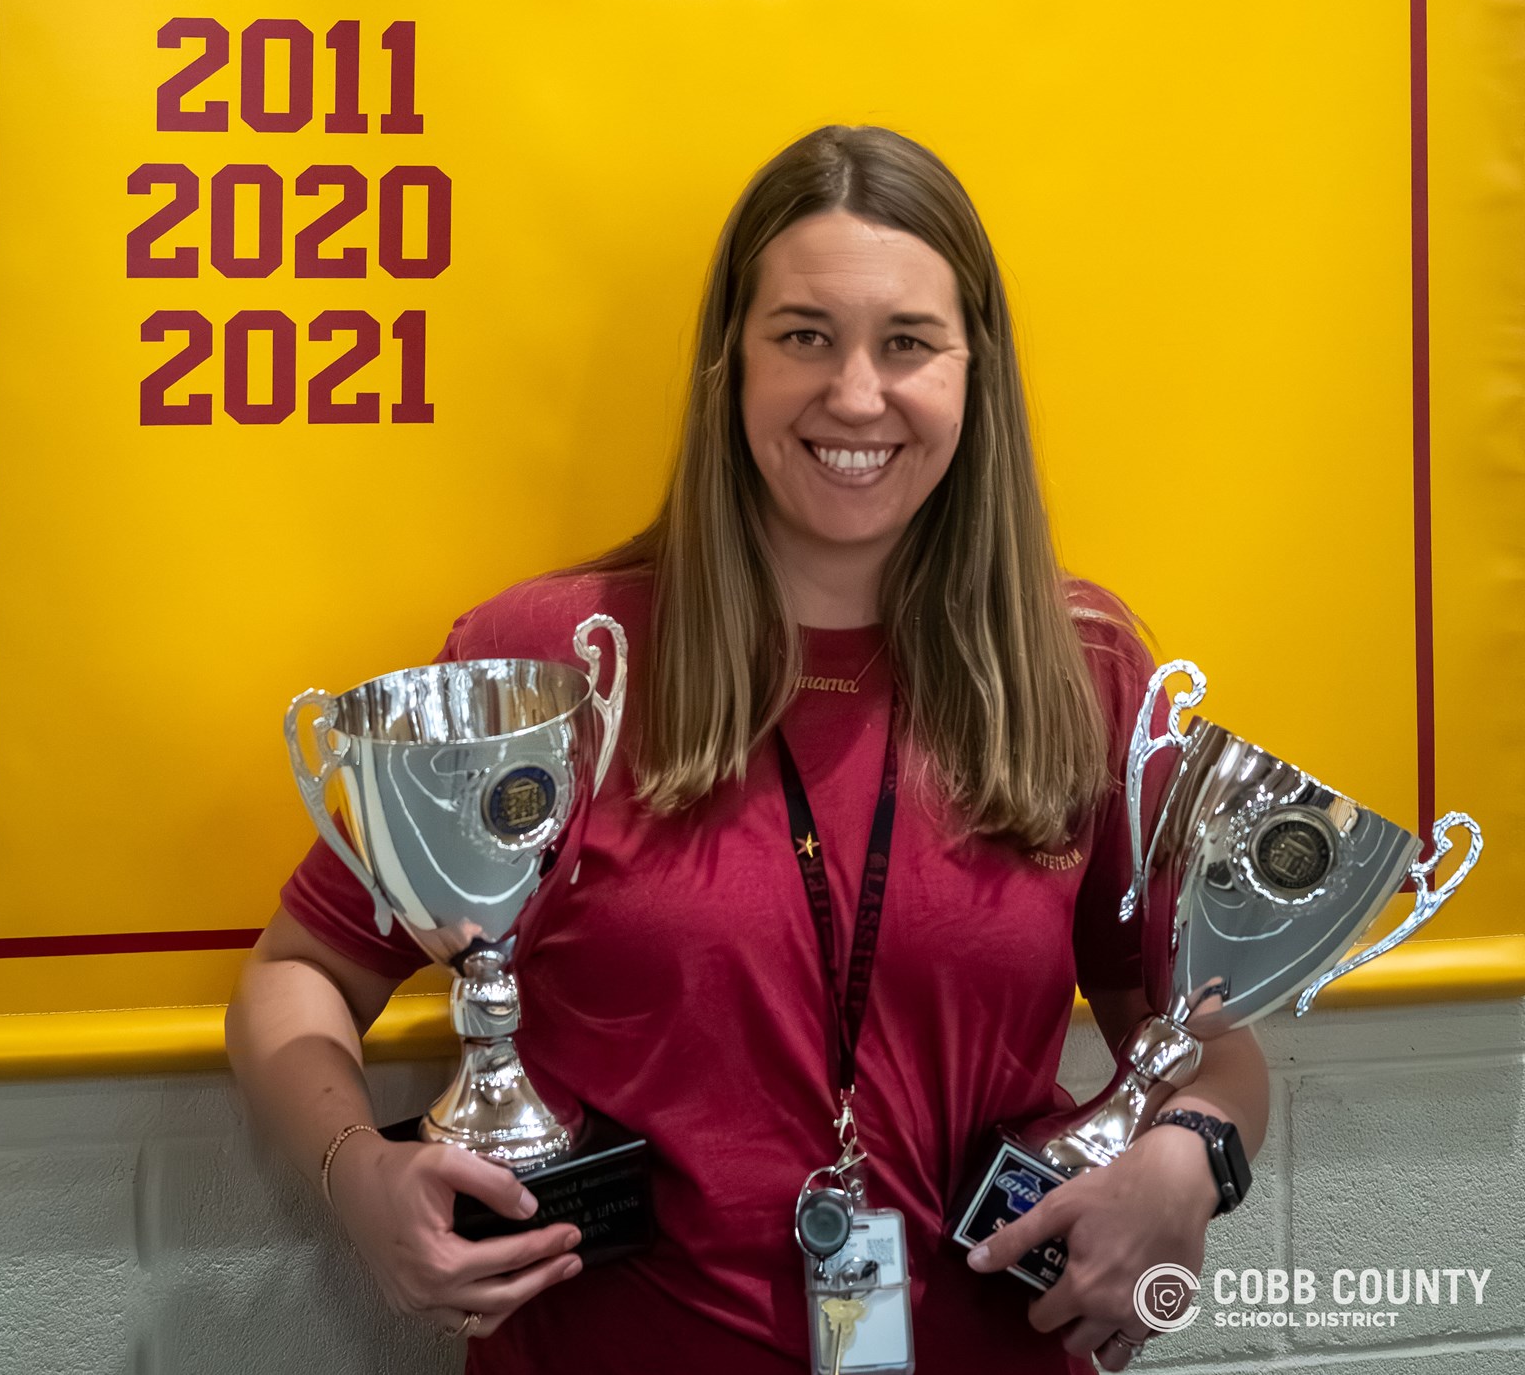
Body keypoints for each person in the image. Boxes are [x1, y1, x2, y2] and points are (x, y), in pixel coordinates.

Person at [227, 125, 1267, 1369]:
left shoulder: (1081, 670)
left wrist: (1189, 1162)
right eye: (804, 336)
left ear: (974, 373)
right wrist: (353, 1181)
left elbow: (1207, 1031)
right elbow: (301, 974)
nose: (856, 395)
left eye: (909, 343)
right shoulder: (556, 660)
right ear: (730, 366)